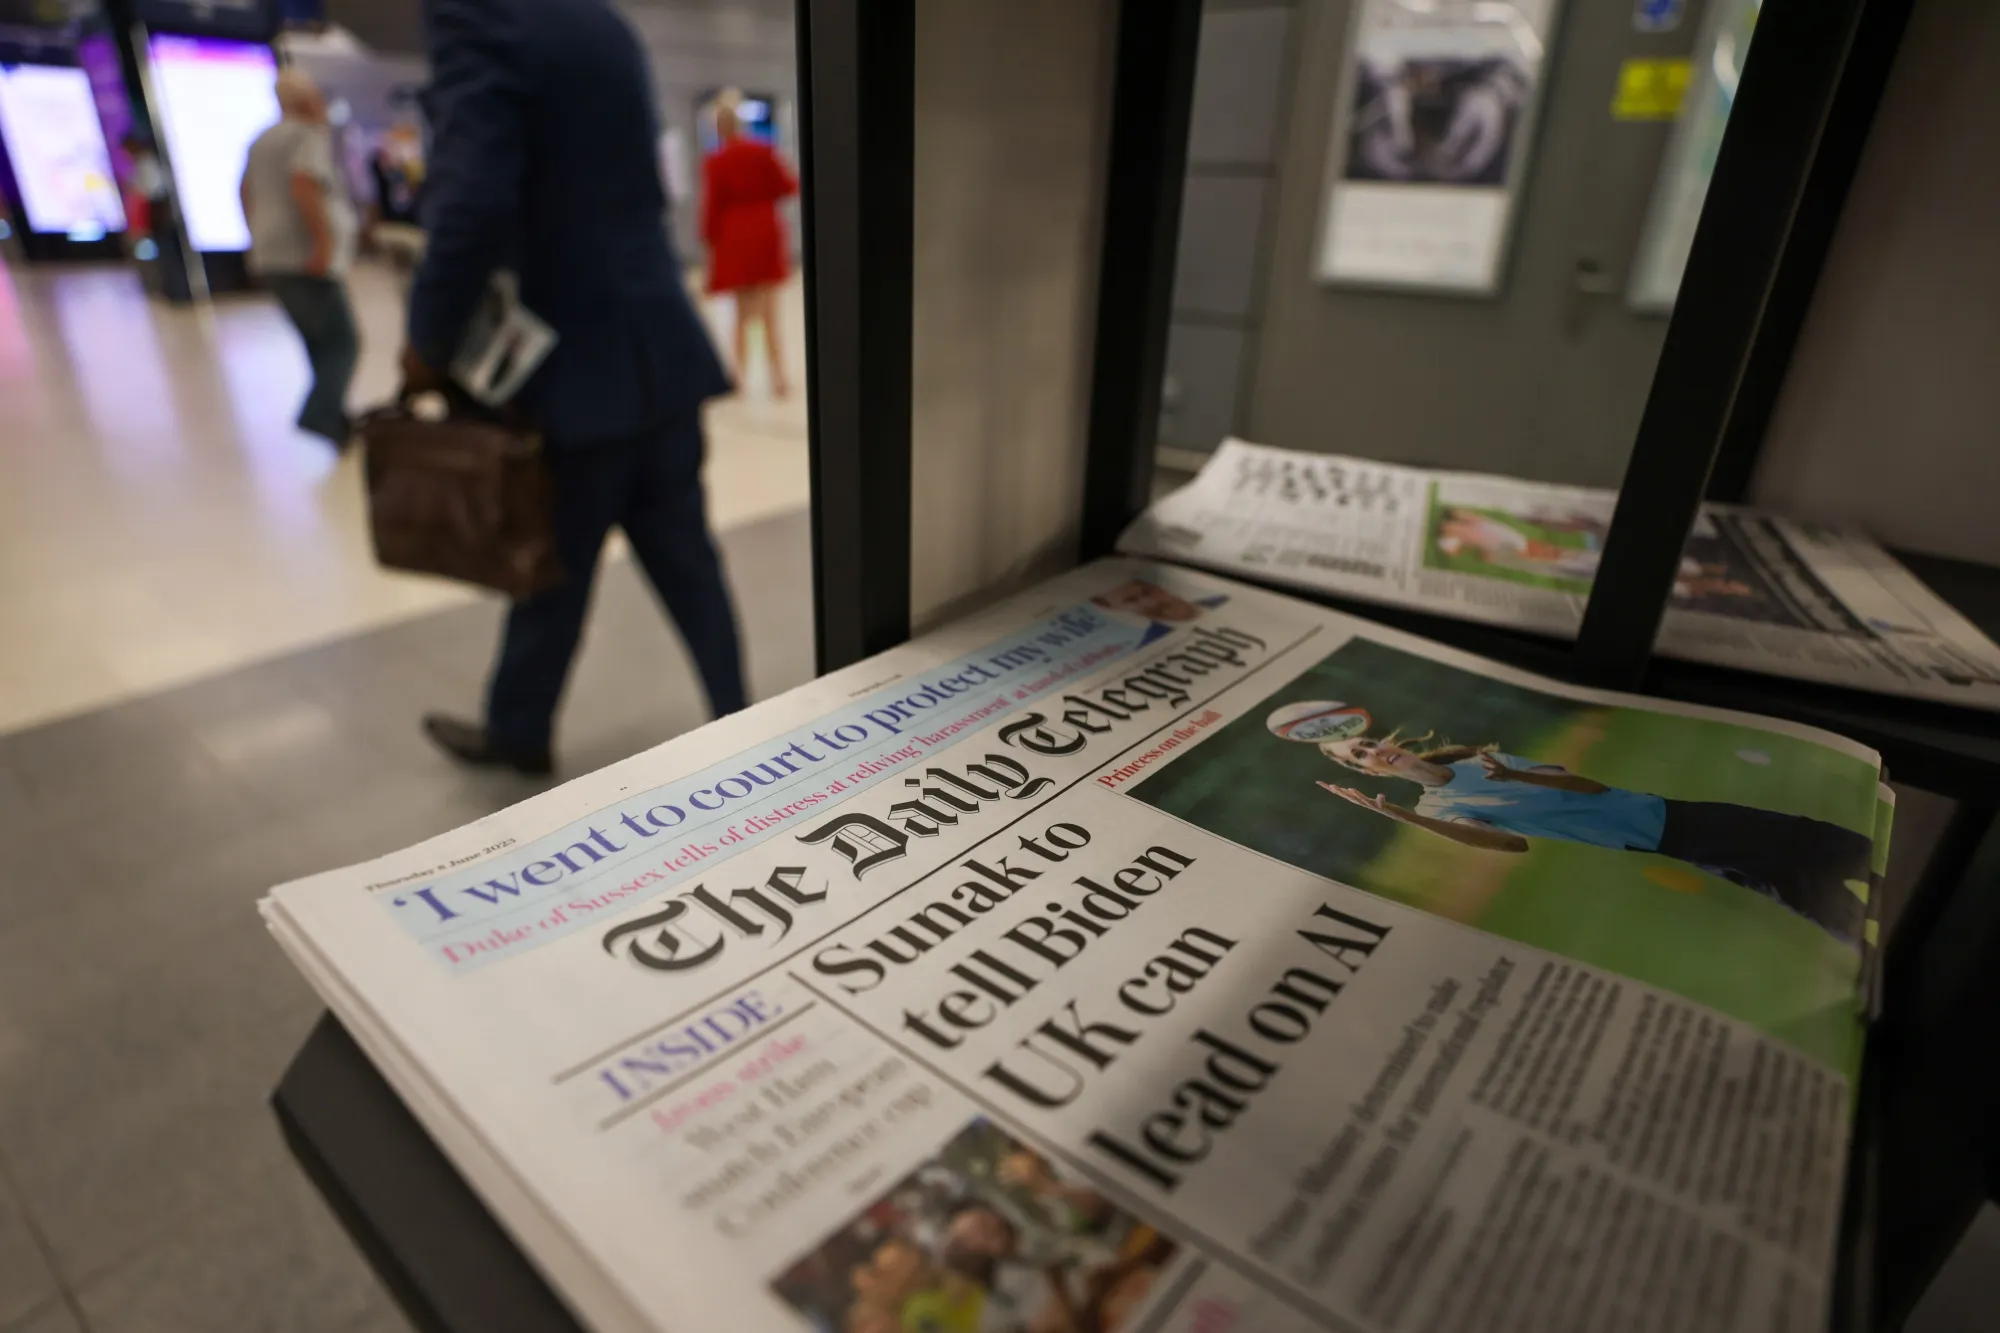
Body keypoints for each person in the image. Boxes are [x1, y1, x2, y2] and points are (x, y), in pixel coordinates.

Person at [405, 0, 745, 775]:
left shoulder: (480, 20)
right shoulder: (604, 22)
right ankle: (741, 714)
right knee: (686, 557)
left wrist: (428, 338)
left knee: (551, 559)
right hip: (658, 344)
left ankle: (518, 731)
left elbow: (471, 202)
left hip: (572, 360)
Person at [1297, 720, 1871, 946]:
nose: (1375, 752)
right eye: (1362, 756)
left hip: (1674, 815)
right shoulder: (1441, 806)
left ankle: (1884, 890)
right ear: (1366, 772)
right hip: (1661, 840)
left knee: (1804, 852)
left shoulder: (1475, 760)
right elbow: (1508, 844)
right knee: (1789, 877)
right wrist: (1405, 818)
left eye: (1368, 742)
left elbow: (1592, 789)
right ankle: (1870, 933)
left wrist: (1516, 772)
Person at [240, 69, 361, 447]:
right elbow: (303, 185)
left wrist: (257, 236)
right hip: (304, 257)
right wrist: (323, 244)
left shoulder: (261, 140)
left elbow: (243, 191)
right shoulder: (307, 137)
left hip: (271, 256)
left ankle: (334, 419)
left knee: (317, 340)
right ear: (306, 102)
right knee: (344, 342)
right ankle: (320, 415)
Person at [701, 89, 798, 397]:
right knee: (770, 313)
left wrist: (710, 251)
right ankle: (779, 377)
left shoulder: (716, 163)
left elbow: (711, 211)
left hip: (734, 239)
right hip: (765, 234)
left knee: (742, 315)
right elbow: (789, 185)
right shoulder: (763, 152)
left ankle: (738, 377)